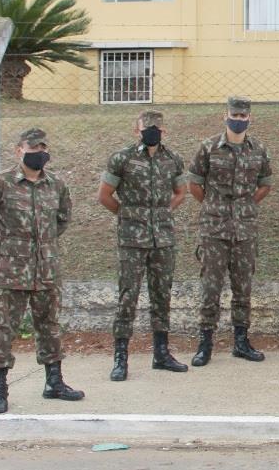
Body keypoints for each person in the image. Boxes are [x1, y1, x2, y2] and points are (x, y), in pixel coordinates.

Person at [0, 128, 83, 414]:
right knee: (3, 329)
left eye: (42, 149)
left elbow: (62, 220)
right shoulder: (1, 184)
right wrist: (12, 245)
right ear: (18, 151)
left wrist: (41, 246)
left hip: (46, 268)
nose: (38, 154)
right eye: (32, 149)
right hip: (11, 271)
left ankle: (54, 382)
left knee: (49, 326)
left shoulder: (56, 185)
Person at [98, 110, 189, 382]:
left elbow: (180, 192)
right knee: (128, 297)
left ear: (164, 131)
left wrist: (161, 214)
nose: (152, 132)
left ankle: (161, 354)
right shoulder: (122, 158)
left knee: (162, 295)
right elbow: (104, 195)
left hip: (163, 239)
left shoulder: (172, 159)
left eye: (157, 128)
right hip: (132, 240)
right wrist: (129, 216)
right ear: (135, 131)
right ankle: (120, 358)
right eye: (146, 128)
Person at [186, 96, 273, 366]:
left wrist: (243, 206)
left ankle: (241, 342)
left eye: (243, 116)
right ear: (225, 115)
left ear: (250, 118)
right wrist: (216, 207)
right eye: (234, 115)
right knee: (211, 288)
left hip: (245, 229)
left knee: (242, 287)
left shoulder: (258, 149)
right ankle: (205, 343)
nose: (238, 120)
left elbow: (265, 185)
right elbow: (195, 185)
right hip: (214, 229)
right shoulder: (208, 147)